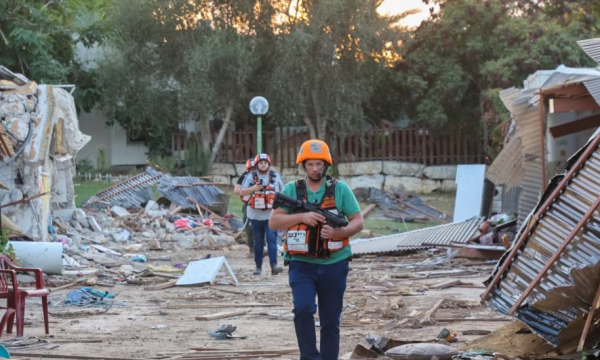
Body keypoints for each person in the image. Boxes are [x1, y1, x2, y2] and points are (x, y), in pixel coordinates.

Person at [269, 139, 364, 360]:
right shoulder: (291, 189)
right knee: (303, 309)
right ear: (303, 165)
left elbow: (358, 222)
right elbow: (274, 222)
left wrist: (339, 233)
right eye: (310, 164)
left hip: (335, 263)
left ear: (326, 165)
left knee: (331, 320)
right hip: (301, 264)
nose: (314, 169)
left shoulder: (340, 189)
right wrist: (303, 216)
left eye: (318, 164)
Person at [240, 153, 285, 275]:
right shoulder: (250, 177)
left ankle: (274, 265)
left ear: (269, 164)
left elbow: (284, 192)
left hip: (271, 215)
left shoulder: (276, 176)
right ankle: (258, 266)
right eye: (261, 163)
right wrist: (254, 188)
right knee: (258, 241)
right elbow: (242, 192)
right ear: (257, 164)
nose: (263, 164)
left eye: (265, 162)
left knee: (272, 240)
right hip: (255, 216)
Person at [234, 158, 256, 254]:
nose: (254, 171)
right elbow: (237, 190)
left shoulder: (266, 176)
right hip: (249, 203)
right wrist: (250, 189)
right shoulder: (245, 176)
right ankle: (251, 247)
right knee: (249, 226)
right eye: (252, 169)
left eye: (256, 168)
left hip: (264, 205)